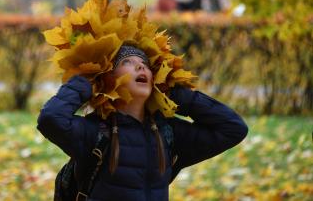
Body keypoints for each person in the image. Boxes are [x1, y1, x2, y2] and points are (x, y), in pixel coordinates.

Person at [37, 45, 248, 200]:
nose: (140, 67)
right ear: (108, 78)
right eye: (126, 62)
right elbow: (51, 119)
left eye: (145, 65)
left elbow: (232, 129)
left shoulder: (168, 132)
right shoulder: (96, 132)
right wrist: (86, 81)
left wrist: (176, 94)